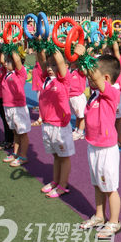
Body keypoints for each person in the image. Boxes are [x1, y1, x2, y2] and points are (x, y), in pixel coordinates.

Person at [75, 44, 121, 239]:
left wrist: (85, 54)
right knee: (97, 184)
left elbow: (94, 76)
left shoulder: (111, 92)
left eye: (93, 75)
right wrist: (80, 59)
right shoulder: (94, 96)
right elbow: (90, 74)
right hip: (93, 145)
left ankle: (114, 222)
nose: (88, 78)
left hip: (107, 148)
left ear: (106, 79)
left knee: (110, 188)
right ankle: (100, 216)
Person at [36, 48, 75, 198]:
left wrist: (53, 46)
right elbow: (41, 59)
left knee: (63, 156)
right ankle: (56, 181)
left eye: (54, 65)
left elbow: (60, 60)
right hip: (47, 124)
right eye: (49, 65)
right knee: (55, 155)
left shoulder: (63, 80)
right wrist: (40, 43)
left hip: (60, 126)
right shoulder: (46, 79)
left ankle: (63, 185)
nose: (51, 68)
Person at [1, 49, 31, 167]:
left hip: (18, 107)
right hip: (8, 107)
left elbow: (17, 60)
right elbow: (3, 59)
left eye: (9, 61)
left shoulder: (20, 73)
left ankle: (23, 156)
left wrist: (12, 47)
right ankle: (15, 153)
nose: (5, 63)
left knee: (22, 133)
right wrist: (6, 45)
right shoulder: (6, 73)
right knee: (15, 132)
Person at [0, 46, 14, 150]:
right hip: (0, 96)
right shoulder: (0, 68)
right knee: (4, 118)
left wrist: (7, 44)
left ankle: (9, 140)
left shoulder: (6, 68)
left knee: (7, 120)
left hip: (6, 98)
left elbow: (2, 60)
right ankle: (8, 139)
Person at [68, 60, 87, 140]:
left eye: (74, 61)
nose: (72, 63)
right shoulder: (68, 71)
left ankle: (80, 132)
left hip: (78, 96)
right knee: (77, 115)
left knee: (81, 116)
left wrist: (82, 58)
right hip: (70, 96)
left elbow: (85, 71)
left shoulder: (80, 71)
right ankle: (76, 129)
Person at [30, 61, 43, 125]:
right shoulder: (37, 63)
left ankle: (41, 118)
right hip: (38, 85)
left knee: (41, 102)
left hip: (41, 86)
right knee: (40, 102)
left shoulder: (40, 64)